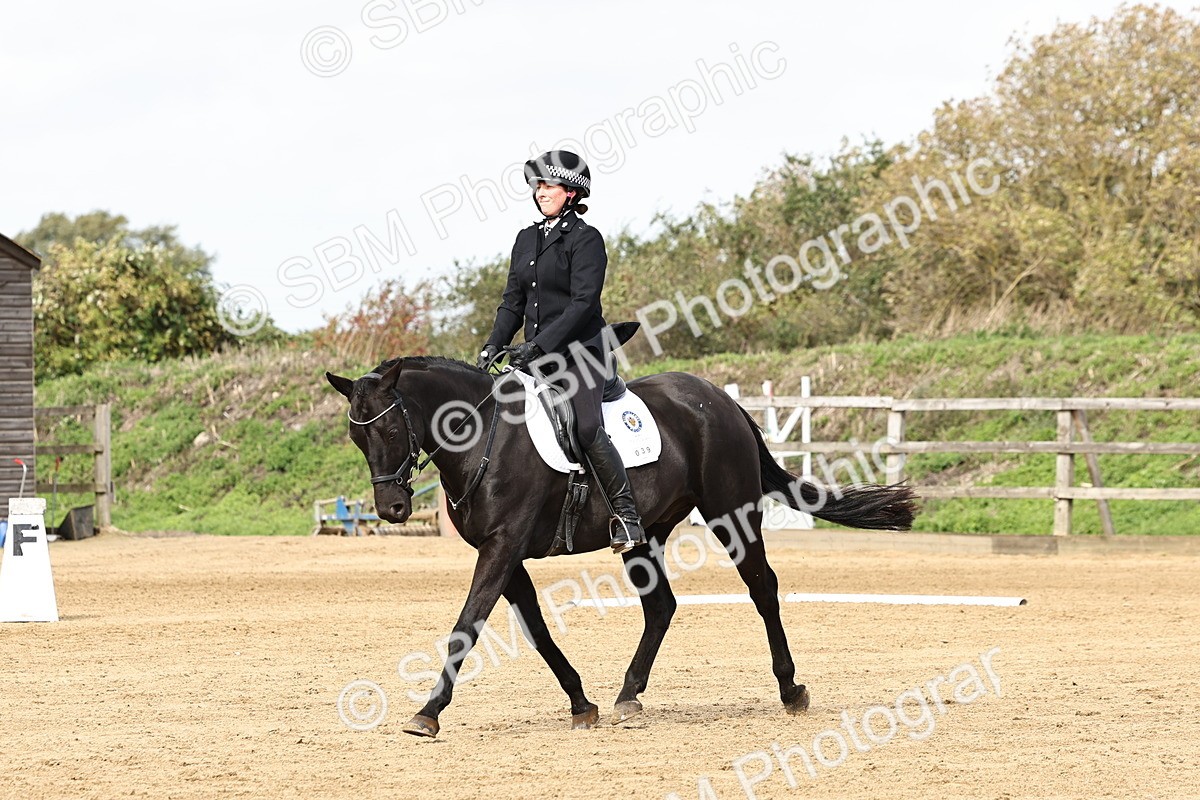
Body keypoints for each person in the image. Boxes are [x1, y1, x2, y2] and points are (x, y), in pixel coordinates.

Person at [476, 150, 646, 554]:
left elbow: (583, 303)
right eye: (537, 185)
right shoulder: (526, 239)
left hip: (581, 356)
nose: (540, 191)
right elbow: (512, 302)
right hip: (534, 358)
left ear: (570, 191)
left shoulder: (586, 239)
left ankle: (627, 516)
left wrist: (538, 345)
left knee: (584, 427)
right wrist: (493, 344)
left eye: (548, 185)